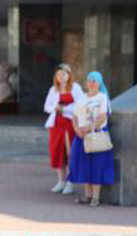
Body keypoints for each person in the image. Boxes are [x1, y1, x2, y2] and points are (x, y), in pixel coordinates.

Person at [68, 71, 115, 207]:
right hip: (81, 136)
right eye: (89, 80)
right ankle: (87, 196)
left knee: (97, 166)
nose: (92, 83)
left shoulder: (102, 97)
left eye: (95, 80)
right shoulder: (82, 97)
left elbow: (103, 116)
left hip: (96, 135)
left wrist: (89, 128)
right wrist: (77, 130)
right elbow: (75, 117)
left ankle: (96, 197)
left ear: (99, 83)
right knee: (84, 166)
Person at [43, 63, 84, 195]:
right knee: (58, 151)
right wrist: (55, 108)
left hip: (70, 123)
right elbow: (46, 106)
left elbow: (81, 104)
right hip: (56, 124)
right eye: (59, 74)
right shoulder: (53, 89)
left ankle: (70, 182)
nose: (61, 76)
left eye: (64, 74)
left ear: (69, 75)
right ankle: (61, 181)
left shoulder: (76, 88)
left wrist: (65, 109)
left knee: (69, 152)